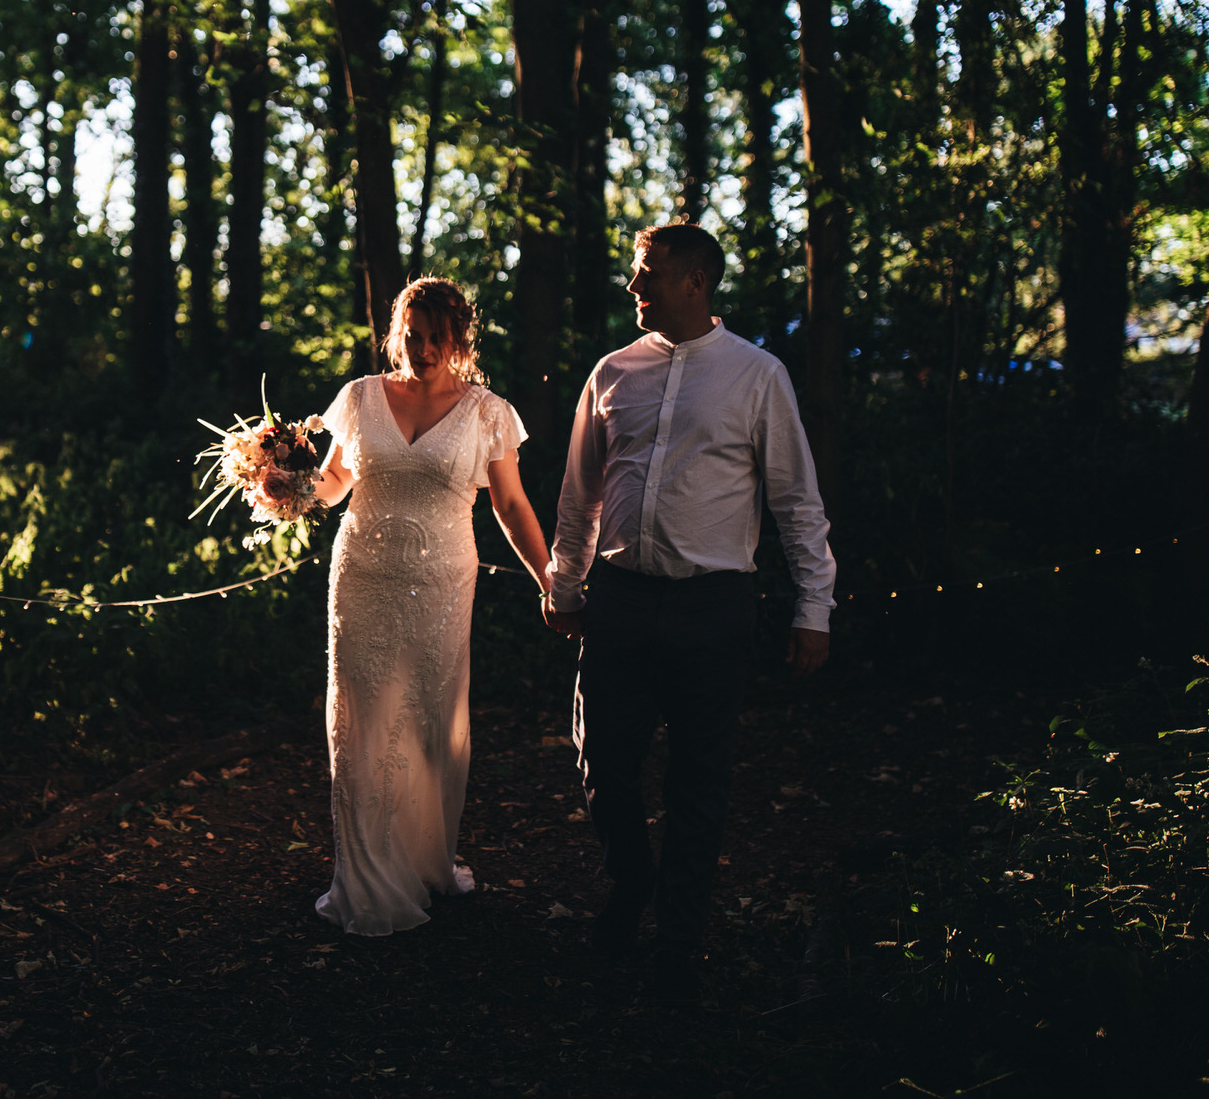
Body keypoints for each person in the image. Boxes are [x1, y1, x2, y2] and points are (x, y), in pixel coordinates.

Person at [542, 219, 836, 993]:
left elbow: (797, 501)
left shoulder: (758, 376)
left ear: (696, 282)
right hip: (621, 600)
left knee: (699, 777)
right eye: (637, 274)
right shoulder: (611, 373)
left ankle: (678, 937)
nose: (635, 286)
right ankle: (632, 881)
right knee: (602, 759)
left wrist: (815, 608)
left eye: (649, 273)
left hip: (714, 604)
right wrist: (564, 583)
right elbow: (580, 495)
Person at [310, 277, 552, 935]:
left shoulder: (487, 412)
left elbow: (510, 504)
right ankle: (363, 877)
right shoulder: (359, 398)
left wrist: (550, 577)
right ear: (397, 331)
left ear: (459, 343)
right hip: (361, 575)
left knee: (430, 723)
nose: (419, 349)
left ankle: (422, 861)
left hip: (444, 584)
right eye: (410, 336)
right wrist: (286, 481)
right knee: (360, 722)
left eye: (434, 340)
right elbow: (332, 486)